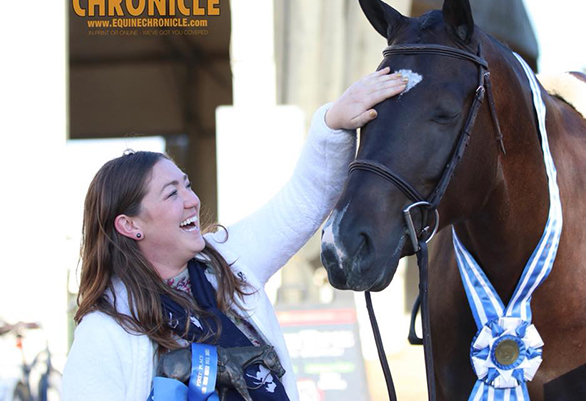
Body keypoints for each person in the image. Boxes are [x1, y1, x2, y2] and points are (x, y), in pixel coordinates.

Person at [61, 68, 407, 401]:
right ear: (130, 225)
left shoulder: (229, 259)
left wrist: (332, 122)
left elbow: (303, 200)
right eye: (171, 194)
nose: (192, 202)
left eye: (188, 186)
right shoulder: (104, 331)